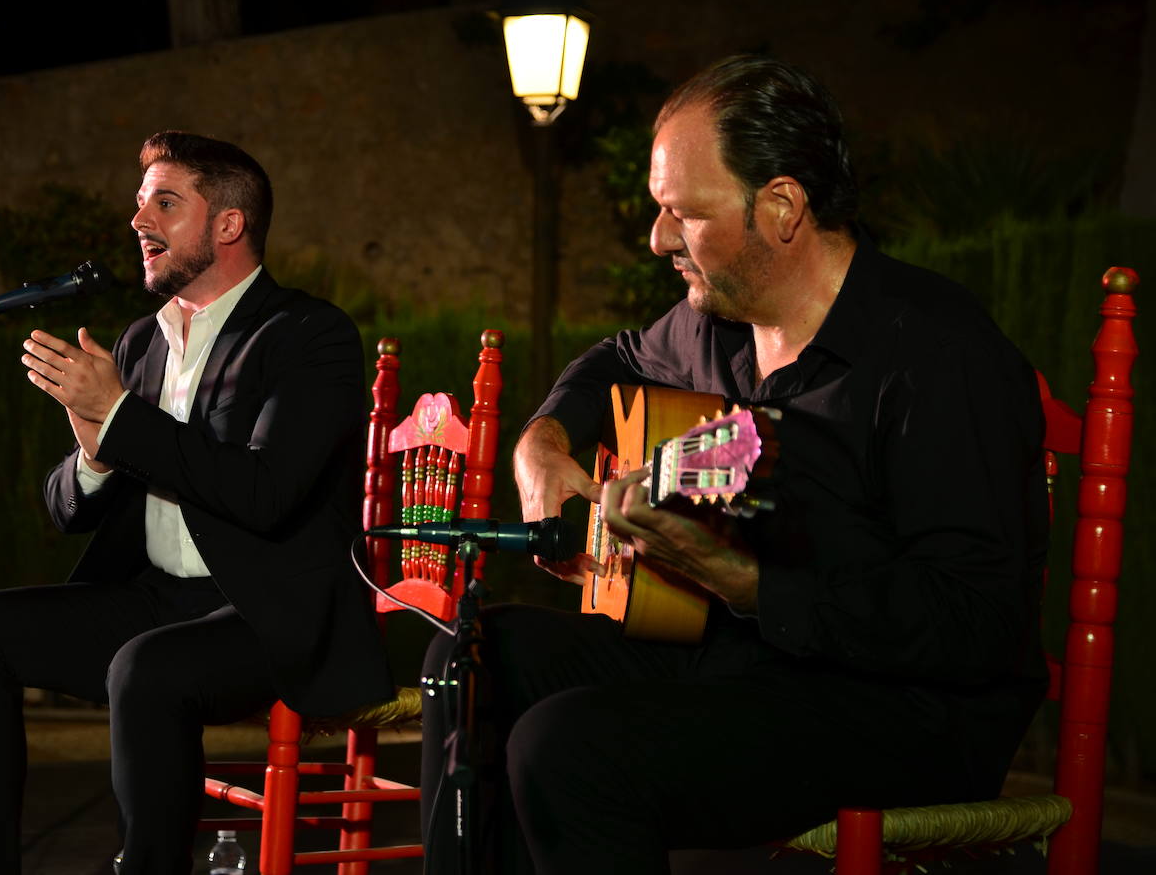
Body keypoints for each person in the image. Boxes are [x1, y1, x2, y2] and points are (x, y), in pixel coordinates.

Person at [419, 55, 1049, 873]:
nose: (656, 239)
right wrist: (541, 440)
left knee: (569, 747)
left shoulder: (937, 356)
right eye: (658, 210)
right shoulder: (713, 324)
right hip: (744, 661)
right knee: (469, 664)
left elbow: (979, 623)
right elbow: (612, 360)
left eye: (683, 213)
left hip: (906, 710)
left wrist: (745, 582)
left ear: (782, 207)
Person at [0, 131, 392, 875]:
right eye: (140, 205)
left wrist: (122, 419)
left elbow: (264, 494)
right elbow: (66, 509)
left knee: (147, 669)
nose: (138, 222)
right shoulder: (139, 342)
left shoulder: (310, 334)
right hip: (156, 601)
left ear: (229, 224)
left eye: (165, 204)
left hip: (269, 612)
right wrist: (95, 452)